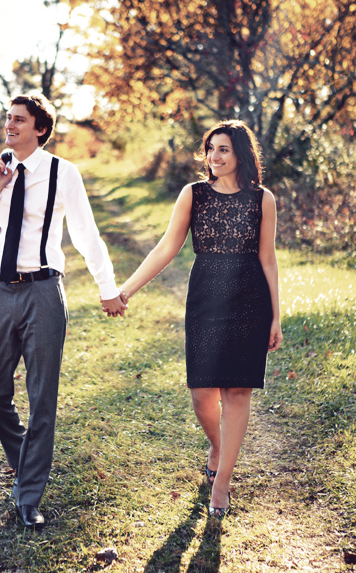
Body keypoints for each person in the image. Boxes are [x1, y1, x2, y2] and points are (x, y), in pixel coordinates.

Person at [0, 94, 126, 529]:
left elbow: (86, 234)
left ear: (40, 128)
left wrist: (107, 288)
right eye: (7, 119)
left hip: (42, 293)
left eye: (19, 120)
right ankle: (25, 456)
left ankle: (29, 495)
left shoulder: (63, 173)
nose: (9, 125)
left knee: (43, 399)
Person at [114, 120, 283, 518]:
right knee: (202, 393)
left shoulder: (263, 199)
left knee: (237, 392)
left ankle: (222, 483)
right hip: (206, 295)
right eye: (211, 148)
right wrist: (126, 290)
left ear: (241, 153)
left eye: (223, 149)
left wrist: (276, 315)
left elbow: (269, 259)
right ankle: (219, 445)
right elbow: (166, 248)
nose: (214, 156)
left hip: (249, 298)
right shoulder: (194, 195)